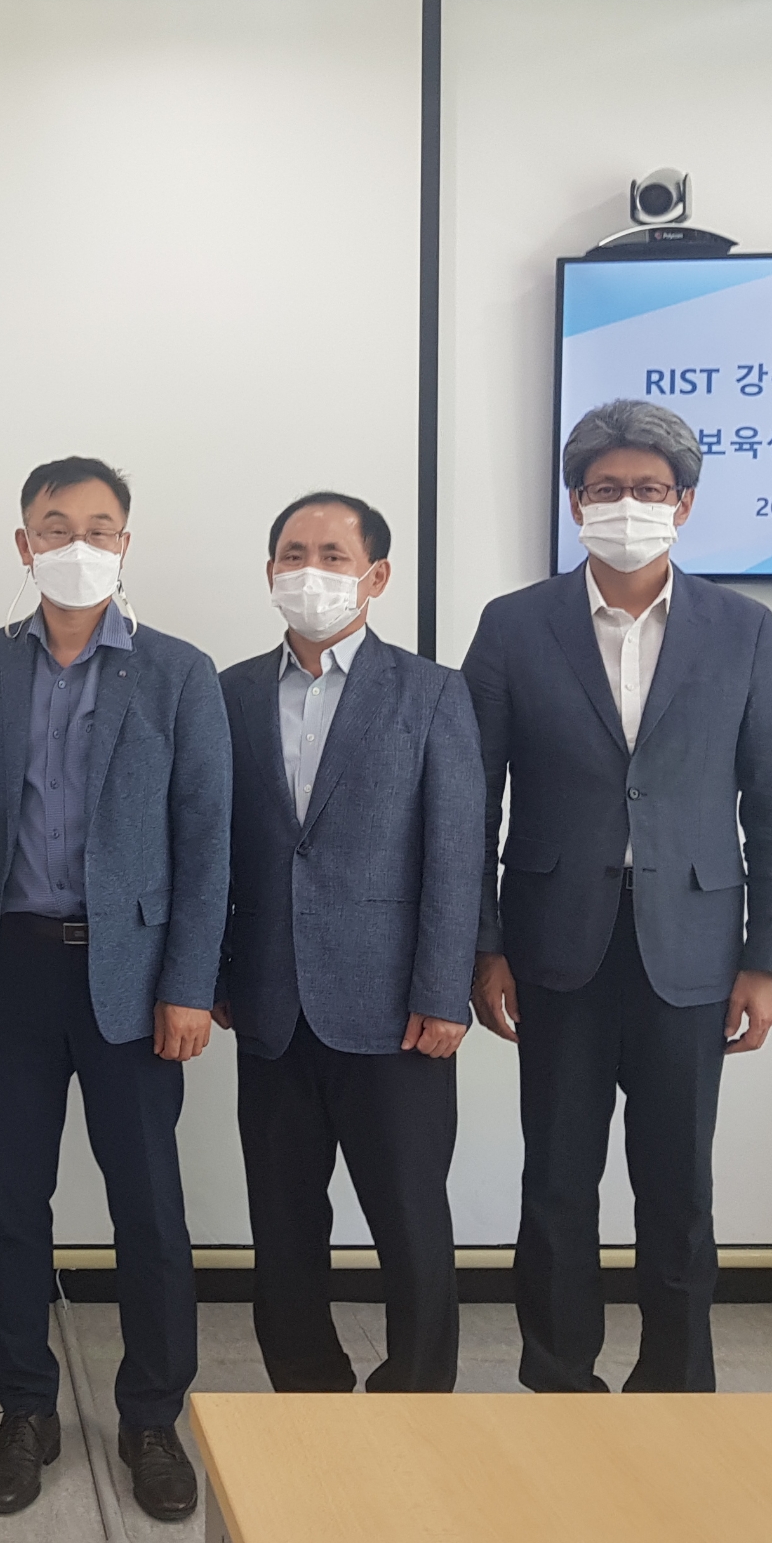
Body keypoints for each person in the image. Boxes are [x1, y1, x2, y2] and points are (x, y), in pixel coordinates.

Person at [462, 399, 772, 1395]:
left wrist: (765, 959)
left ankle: (676, 1389)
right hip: (552, 947)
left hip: (693, 951)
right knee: (557, 1186)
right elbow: (470, 801)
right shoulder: (513, 625)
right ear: (576, 503)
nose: (627, 505)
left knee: (678, 1190)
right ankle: (559, 1380)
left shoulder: (743, 630)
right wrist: (483, 944)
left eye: (648, 489)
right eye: (606, 488)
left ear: (683, 504)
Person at [0, 456, 230, 1524]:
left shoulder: (178, 672)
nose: (78, 544)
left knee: (147, 1209)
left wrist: (189, 985)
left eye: (99, 528)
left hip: (134, 976)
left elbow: (206, 843)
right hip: (10, 968)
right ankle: (25, 1408)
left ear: (125, 544)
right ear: (23, 544)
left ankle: (151, 1417)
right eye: (55, 526)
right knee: (10, 1204)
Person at [214, 491, 481, 1395]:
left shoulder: (432, 692)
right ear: (269, 572)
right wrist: (214, 974)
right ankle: (307, 1391)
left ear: (377, 576)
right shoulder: (230, 693)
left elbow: (457, 853)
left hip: (394, 1009)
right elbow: (212, 847)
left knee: (410, 1217)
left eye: (333, 556)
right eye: (293, 554)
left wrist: (444, 993)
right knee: (283, 1222)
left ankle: (418, 1393)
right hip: (269, 1003)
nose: (310, 572)